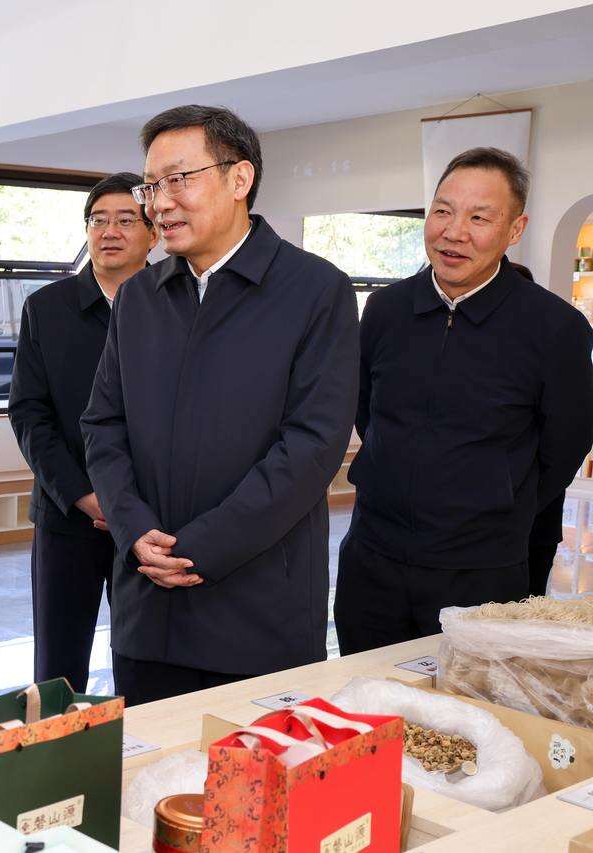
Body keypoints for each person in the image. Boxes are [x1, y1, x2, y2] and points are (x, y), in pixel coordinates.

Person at [81, 105, 359, 705]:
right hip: (146, 604)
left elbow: (313, 446)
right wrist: (132, 528)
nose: (160, 203)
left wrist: (198, 548)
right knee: (148, 761)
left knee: (255, 762)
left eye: (179, 179)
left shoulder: (315, 290)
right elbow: (103, 423)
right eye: (151, 186)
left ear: (240, 179)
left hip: (258, 608)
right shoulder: (139, 297)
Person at [337, 148, 593, 652]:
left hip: (482, 570)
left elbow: (563, 447)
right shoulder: (386, 310)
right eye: (443, 211)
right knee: (366, 691)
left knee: (469, 696)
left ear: (515, 230)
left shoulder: (555, 327)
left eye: (479, 218)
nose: (454, 232)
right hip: (373, 557)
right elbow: (367, 411)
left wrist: (497, 501)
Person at [9, 172, 157, 692]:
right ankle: (56, 744)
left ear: (153, 233)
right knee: (58, 665)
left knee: (145, 656)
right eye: (98, 220)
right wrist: (83, 495)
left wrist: (125, 502)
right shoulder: (46, 308)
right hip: (67, 513)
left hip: (150, 516)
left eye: (125, 220)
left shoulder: (177, 303)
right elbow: (30, 413)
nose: (109, 231)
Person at [510, 262, 570, 598]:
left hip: (535, 515)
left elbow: (565, 441)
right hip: (520, 518)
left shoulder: (554, 341)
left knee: (528, 602)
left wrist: (529, 498)